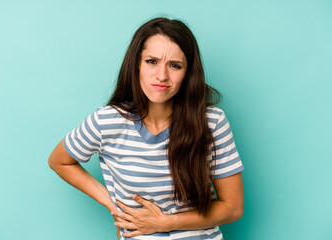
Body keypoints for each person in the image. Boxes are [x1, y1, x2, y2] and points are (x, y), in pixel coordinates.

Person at [48, 17, 244, 240]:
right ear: (136, 65)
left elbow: (233, 207)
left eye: (175, 65)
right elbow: (59, 161)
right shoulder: (108, 121)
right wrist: (114, 206)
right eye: (152, 61)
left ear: (188, 73)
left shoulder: (212, 122)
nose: (162, 76)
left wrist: (164, 222)